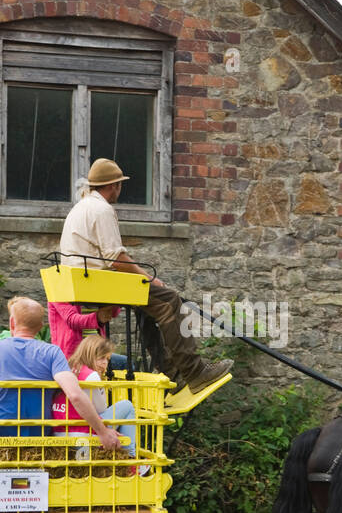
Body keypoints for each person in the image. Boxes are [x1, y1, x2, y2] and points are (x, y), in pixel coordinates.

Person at [59, 158, 232, 394]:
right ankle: (195, 372)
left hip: (83, 282)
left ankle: (169, 372)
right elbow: (116, 258)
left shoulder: (81, 206)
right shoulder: (102, 209)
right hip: (95, 282)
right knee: (169, 300)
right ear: (114, 185)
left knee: (147, 306)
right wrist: (148, 278)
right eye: (120, 185)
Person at [0, 297, 122, 452]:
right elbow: (75, 395)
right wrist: (102, 431)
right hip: (40, 435)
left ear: (12, 323)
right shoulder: (52, 352)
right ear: (40, 327)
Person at [52, 336, 138, 456]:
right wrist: (101, 386)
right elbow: (101, 408)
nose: (105, 363)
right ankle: (131, 457)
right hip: (82, 433)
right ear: (90, 354)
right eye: (101, 358)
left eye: (107, 359)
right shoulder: (91, 376)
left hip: (59, 433)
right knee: (127, 406)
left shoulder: (68, 369)